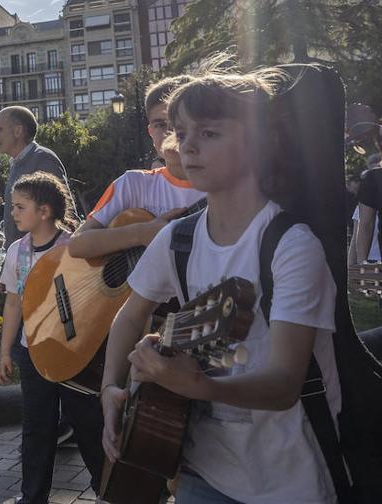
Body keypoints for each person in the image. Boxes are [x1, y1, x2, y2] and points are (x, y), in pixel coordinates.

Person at [100, 68, 340, 504]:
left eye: (209, 133)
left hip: (288, 478)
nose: (186, 146)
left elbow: (284, 383)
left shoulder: (291, 246)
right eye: (181, 131)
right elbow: (130, 314)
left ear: (260, 143)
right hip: (199, 468)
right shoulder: (179, 237)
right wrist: (111, 390)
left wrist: (195, 384)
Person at [0, 171, 105, 504]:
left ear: (44, 211)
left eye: (19, 207)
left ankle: (110, 490)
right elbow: (13, 303)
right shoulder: (18, 250)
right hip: (33, 355)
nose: (12, 213)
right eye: (13, 206)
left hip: (75, 356)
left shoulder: (73, 246)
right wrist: (5, 352)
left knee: (90, 427)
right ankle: (33, 498)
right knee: (37, 429)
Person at [68, 75, 205, 260]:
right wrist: (141, 234)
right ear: (150, 132)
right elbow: (77, 245)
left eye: (177, 124)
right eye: (160, 124)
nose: (169, 133)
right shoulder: (132, 183)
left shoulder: (222, 188)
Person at [0, 105, 68, 288]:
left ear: (18, 131)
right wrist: (7, 267)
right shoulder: (17, 164)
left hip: (46, 267)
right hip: (26, 263)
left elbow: (62, 212)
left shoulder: (43, 159)